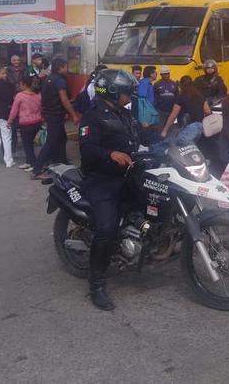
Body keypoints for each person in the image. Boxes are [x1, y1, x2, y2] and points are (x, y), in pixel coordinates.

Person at [79, 69, 140, 311]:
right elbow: (86, 147)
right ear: (113, 92)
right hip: (101, 179)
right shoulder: (93, 117)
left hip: (128, 174)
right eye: (126, 93)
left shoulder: (124, 114)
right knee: (107, 229)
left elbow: (138, 135)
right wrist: (110, 154)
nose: (129, 96)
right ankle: (96, 285)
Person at [32, 58, 79, 178]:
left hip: (49, 113)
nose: (66, 69)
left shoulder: (49, 78)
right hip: (55, 115)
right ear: (60, 67)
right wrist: (73, 114)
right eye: (65, 67)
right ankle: (37, 170)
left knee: (62, 138)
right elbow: (64, 99)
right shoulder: (59, 80)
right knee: (51, 142)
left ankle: (62, 162)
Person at [160, 75, 210, 145]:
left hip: (189, 127)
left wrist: (164, 131)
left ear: (181, 85)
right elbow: (208, 111)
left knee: (178, 145)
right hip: (201, 127)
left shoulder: (181, 97)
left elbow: (173, 116)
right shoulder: (200, 96)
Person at [8, 75, 43, 173]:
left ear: (24, 84)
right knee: (30, 143)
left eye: (20, 84)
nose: (19, 86)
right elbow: (41, 108)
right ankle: (28, 161)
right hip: (37, 122)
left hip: (26, 123)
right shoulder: (38, 95)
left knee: (27, 145)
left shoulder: (20, 95)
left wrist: (10, 121)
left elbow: (14, 110)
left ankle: (33, 164)